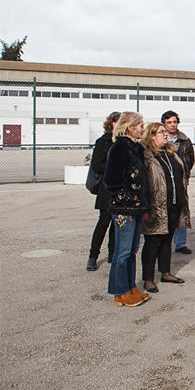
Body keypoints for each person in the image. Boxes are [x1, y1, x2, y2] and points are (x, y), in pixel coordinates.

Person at [103, 112, 150, 307]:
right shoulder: (119, 148)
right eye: (140, 125)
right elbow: (112, 181)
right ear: (130, 127)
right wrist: (127, 200)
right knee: (122, 251)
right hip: (124, 209)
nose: (142, 128)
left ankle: (130, 287)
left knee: (131, 250)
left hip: (138, 208)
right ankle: (120, 291)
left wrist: (142, 203)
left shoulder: (137, 148)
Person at [140, 122, 189, 293]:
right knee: (152, 242)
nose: (165, 134)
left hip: (175, 204)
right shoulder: (147, 156)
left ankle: (165, 272)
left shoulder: (171, 153)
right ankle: (148, 279)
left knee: (167, 240)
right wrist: (146, 207)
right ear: (152, 135)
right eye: (161, 132)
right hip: (157, 206)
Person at [86, 111, 121, 271]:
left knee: (116, 223)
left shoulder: (122, 142)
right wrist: (115, 167)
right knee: (104, 221)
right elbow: (96, 165)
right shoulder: (103, 141)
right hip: (106, 189)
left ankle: (112, 253)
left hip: (120, 188)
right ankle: (93, 256)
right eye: (117, 121)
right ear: (111, 123)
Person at [161, 110, 195, 255]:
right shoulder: (159, 139)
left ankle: (180, 243)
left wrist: (185, 174)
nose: (172, 125)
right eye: (169, 122)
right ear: (164, 124)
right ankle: (163, 241)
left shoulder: (184, 140)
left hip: (181, 182)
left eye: (174, 122)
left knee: (181, 211)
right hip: (163, 182)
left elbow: (190, 160)